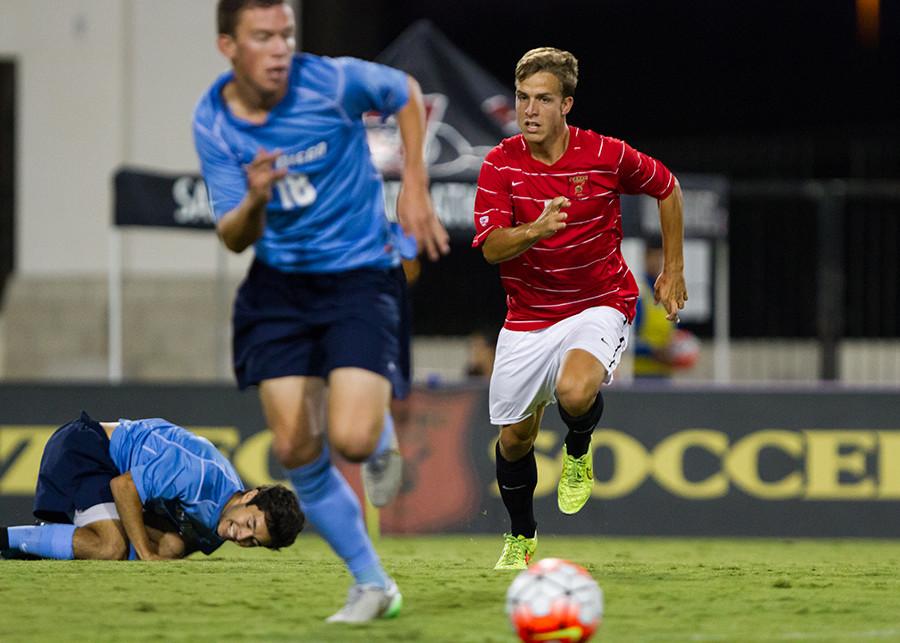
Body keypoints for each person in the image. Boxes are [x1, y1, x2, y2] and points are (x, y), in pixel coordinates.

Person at [192, 0, 449, 622]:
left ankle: (380, 437)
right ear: (229, 46)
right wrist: (254, 198)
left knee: (352, 441)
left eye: (285, 32)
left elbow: (406, 91)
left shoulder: (329, 79)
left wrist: (414, 183)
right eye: (263, 36)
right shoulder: (213, 120)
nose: (280, 46)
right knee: (295, 446)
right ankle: (372, 585)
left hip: (359, 276)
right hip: (279, 288)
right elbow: (232, 235)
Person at [472, 47, 687, 569]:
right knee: (516, 438)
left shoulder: (605, 155)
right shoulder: (499, 163)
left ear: (566, 104)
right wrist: (537, 230)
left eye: (542, 99)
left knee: (574, 390)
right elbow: (493, 248)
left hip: (600, 301)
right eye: (523, 98)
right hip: (528, 316)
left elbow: (667, 186)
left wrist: (673, 269)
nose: (529, 110)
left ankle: (578, 448)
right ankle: (522, 538)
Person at [0, 412, 303, 561]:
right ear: (250, 495)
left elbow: (174, 547)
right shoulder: (198, 475)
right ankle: (7, 538)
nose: (241, 536)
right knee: (112, 547)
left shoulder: (223, 520)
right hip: (86, 446)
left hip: (108, 468)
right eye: (249, 523)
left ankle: (40, 545)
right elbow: (124, 487)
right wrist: (146, 553)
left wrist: (159, 552)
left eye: (253, 541)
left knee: (171, 547)